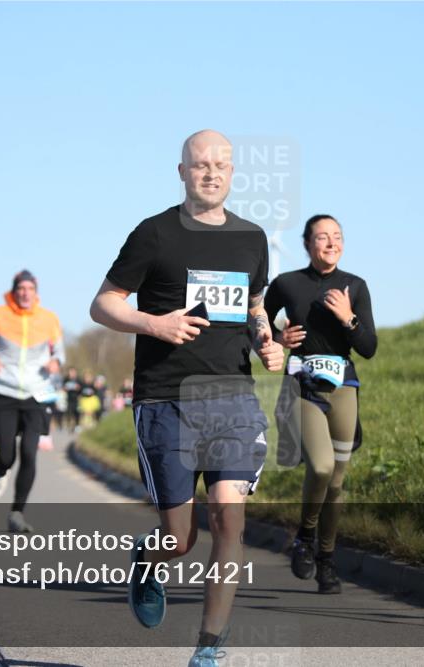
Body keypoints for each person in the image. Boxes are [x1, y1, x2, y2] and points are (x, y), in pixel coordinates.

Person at [90, 130, 284, 667]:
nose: (211, 173)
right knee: (180, 539)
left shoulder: (252, 237)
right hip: (166, 400)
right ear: (182, 172)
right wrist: (153, 322)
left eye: (221, 164)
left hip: (232, 398)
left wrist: (265, 340)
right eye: (200, 164)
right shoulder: (154, 234)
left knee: (230, 519)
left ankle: (208, 650)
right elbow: (102, 305)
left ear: (233, 171)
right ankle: (149, 561)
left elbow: (254, 306)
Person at [265, 214, 378, 594]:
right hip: (303, 386)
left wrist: (348, 319)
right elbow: (259, 322)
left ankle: (326, 560)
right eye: (322, 238)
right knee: (322, 466)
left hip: (344, 386)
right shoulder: (286, 284)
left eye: (337, 237)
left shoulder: (355, 286)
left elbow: (369, 348)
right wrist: (278, 337)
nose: (331, 243)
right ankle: (305, 536)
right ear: (307, 244)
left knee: (337, 484)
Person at [0, 269, 65, 533]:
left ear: (36, 292)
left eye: (30, 289)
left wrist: (55, 362)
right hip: (4, 391)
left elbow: (59, 352)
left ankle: (17, 513)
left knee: (29, 453)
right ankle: (1, 470)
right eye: (21, 289)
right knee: (6, 454)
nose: (25, 293)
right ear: (14, 291)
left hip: (36, 393)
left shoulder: (49, 319)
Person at [62, 367, 82, 432]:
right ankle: (68, 424)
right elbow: (63, 388)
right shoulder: (66, 379)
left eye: (73, 372)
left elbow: (82, 389)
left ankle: (77, 425)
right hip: (68, 399)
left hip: (76, 399)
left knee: (76, 412)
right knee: (68, 412)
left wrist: (78, 388)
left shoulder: (78, 380)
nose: (72, 373)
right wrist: (65, 388)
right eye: (71, 372)